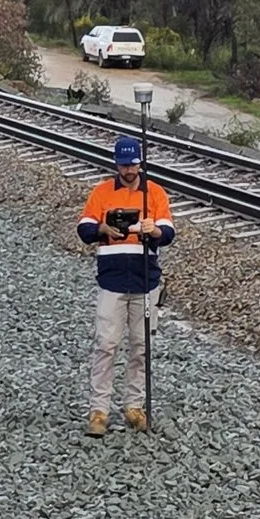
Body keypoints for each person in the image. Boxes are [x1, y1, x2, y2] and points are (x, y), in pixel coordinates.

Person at [78, 133, 175, 434]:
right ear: (117, 164)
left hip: (145, 280)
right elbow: (83, 227)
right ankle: (99, 411)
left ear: (140, 163)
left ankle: (134, 405)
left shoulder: (155, 194)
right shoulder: (102, 192)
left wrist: (154, 230)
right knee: (106, 345)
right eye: (123, 166)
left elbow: (169, 231)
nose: (128, 171)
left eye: (132, 165)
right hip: (112, 279)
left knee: (140, 346)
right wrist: (102, 227)